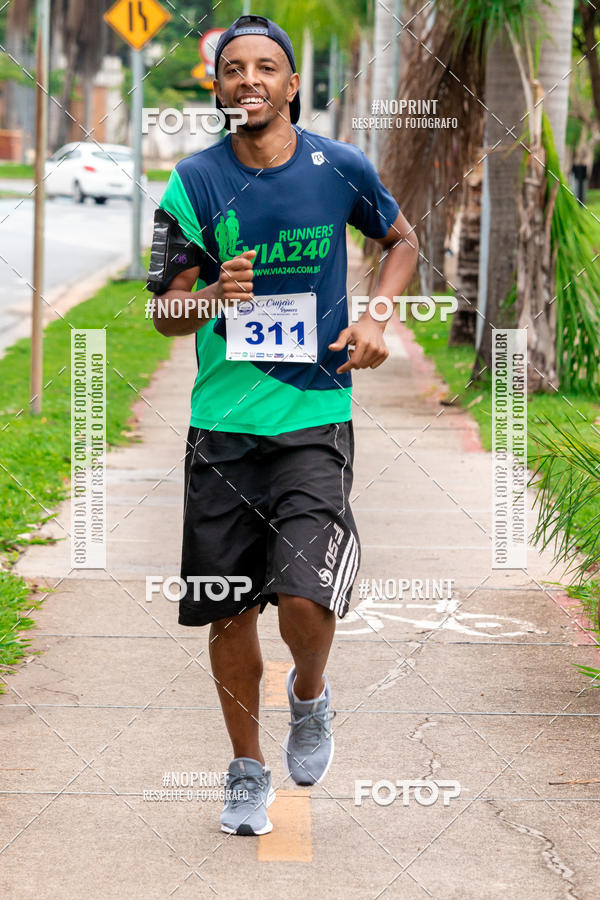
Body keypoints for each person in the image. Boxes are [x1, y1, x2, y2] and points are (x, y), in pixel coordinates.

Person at [148, 14, 419, 836]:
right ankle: (246, 770)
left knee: (303, 597)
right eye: (234, 69)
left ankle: (309, 696)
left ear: (292, 85)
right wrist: (210, 297)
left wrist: (375, 318)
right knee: (229, 610)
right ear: (219, 86)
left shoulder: (338, 168)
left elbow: (402, 239)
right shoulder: (193, 183)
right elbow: (165, 312)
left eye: (267, 67)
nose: (249, 80)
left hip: (314, 416)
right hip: (223, 426)